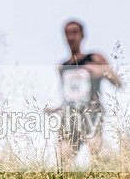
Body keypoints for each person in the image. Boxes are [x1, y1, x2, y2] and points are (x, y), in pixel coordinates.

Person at [49, 19, 121, 167]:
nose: (71, 37)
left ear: (82, 35)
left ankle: (97, 178)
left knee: (94, 150)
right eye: (68, 33)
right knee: (64, 155)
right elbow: (68, 95)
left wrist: (101, 71)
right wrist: (56, 108)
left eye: (75, 32)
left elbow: (118, 82)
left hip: (92, 112)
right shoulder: (62, 67)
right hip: (69, 114)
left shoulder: (95, 58)